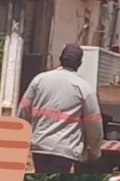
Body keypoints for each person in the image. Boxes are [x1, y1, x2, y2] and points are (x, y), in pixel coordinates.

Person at [17, 43, 104, 173]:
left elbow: (23, 111)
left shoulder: (39, 80)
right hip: (65, 150)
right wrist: (95, 150)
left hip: (40, 146)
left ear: (60, 58)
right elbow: (93, 124)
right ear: (79, 63)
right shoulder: (83, 87)